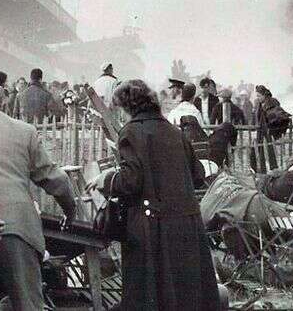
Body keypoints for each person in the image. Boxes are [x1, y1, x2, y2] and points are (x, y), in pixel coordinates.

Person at [85, 79, 220, 310]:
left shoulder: (130, 132)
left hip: (152, 227)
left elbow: (131, 180)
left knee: (149, 295)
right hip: (187, 224)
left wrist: (105, 179)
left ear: (128, 106)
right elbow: (198, 174)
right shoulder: (174, 131)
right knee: (185, 293)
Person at [0, 81, 76, 310]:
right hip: (17, 228)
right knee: (28, 304)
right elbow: (56, 179)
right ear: (4, 101)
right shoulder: (25, 131)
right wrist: (70, 210)